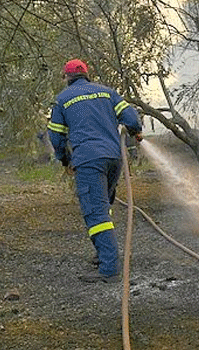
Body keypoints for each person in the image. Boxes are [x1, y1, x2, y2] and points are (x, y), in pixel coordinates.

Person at [47, 59, 143, 283]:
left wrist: (65, 159)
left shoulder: (62, 100)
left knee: (95, 212)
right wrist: (136, 132)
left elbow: (56, 137)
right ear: (87, 74)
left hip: (89, 161)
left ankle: (109, 269)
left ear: (66, 77)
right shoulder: (107, 93)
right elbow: (131, 118)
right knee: (103, 207)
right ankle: (103, 254)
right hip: (114, 158)